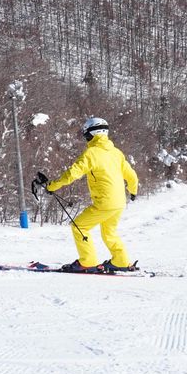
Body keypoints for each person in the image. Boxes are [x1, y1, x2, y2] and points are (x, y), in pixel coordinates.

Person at [46, 117, 138, 273]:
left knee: (79, 226)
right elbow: (131, 175)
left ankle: (87, 262)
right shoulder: (116, 153)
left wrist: (52, 185)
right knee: (109, 232)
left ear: (93, 134)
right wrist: (133, 190)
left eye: (86, 134)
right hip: (119, 202)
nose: (85, 137)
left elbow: (71, 174)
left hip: (105, 202)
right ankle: (120, 261)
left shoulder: (91, 153)